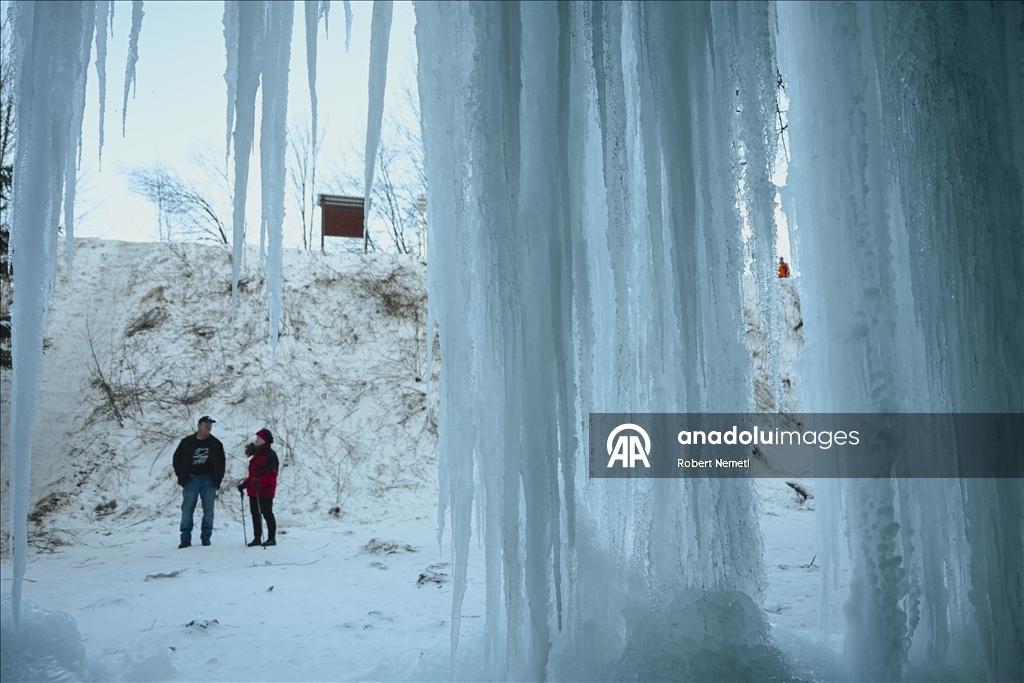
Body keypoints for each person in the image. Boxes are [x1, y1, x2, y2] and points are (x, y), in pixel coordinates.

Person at [172, 415, 226, 548]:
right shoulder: (187, 442)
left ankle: (206, 536)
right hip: (191, 479)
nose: (209, 426)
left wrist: (217, 479)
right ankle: (185, 538)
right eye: (206, 423)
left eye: (210, 424)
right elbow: (176, 459)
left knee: (208, 509)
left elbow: (221, 462)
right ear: (199, 425)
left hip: (208, 479)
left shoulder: (216, 444)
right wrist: (182, 476)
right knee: (187, 510)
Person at [238, 428, 280, 547]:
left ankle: (271, 538)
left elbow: (272, 474)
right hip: (254, 490)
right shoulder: (258, 454)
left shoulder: (270, 455)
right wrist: (245, 485)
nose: (256, 440)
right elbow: (253, 475)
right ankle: (257, 537)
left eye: (258, 438)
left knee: (267, 513)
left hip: (265, 490)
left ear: (264, 440)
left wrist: (260, 482)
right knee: (255, 514)